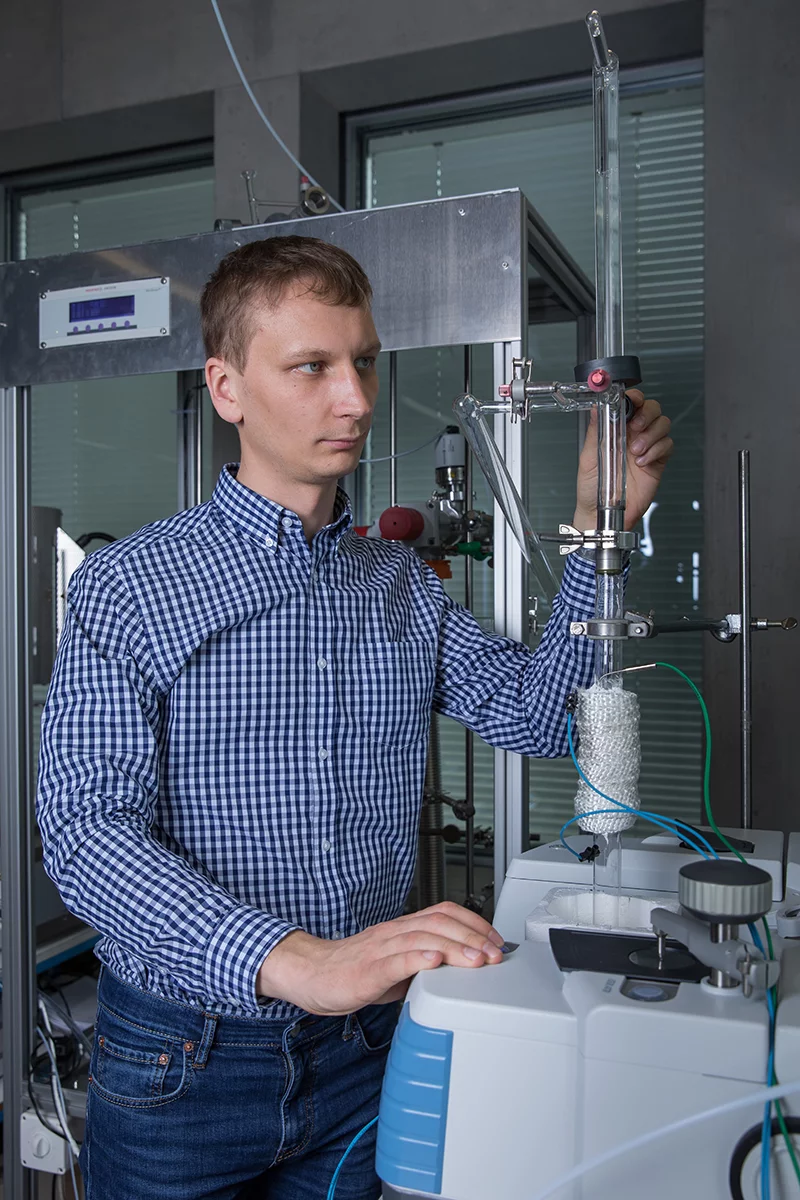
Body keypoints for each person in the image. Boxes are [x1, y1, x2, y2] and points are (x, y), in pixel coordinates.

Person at [37, 235, 673, 1200]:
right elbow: (86, 835)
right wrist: (294, 960)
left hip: (365, 1053)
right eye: (313, 368)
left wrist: (600, 525)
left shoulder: (397, 588)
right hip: (185, 1068)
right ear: (227, 387)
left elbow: (544, 716)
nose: (358, 399)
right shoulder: (134, 584)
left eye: (364, 362)